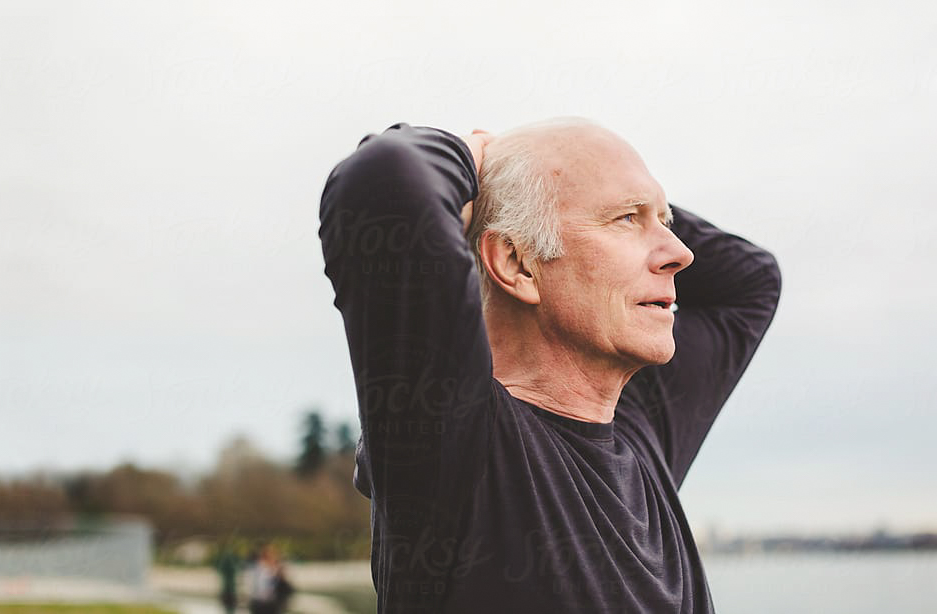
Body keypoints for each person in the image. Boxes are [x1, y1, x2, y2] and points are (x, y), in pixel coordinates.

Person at [317, 119, 781, 612]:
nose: (681, 253)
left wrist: (569, 177)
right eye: (626, 218)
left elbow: (752, 282)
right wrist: (483, 158)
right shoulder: (457, 441)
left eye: (664, 223)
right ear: (517, 264)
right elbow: (384, 183)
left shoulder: (640, 433)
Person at [247, 542, 293, 614]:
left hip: (269, 604)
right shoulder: (261, 568)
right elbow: (262, 589)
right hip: (262, 604)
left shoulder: (273, 569)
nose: (274, 557)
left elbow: (285, 587)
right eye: (272, 555)